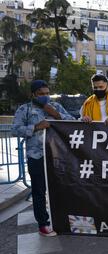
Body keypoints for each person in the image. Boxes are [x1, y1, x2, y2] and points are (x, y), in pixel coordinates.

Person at [12, 80, 75, 236]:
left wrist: (56, 115)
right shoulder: (24, 109)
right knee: (39, 191)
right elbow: (15, 130)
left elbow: (73, 123)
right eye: (41, 94)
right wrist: (35, 127)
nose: (45, 96)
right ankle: (43, 224)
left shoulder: (56, 106)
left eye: (47, 93)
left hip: (56, 155)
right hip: (36, 156)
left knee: (60, 188)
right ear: (33, 94)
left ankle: (60, 220)